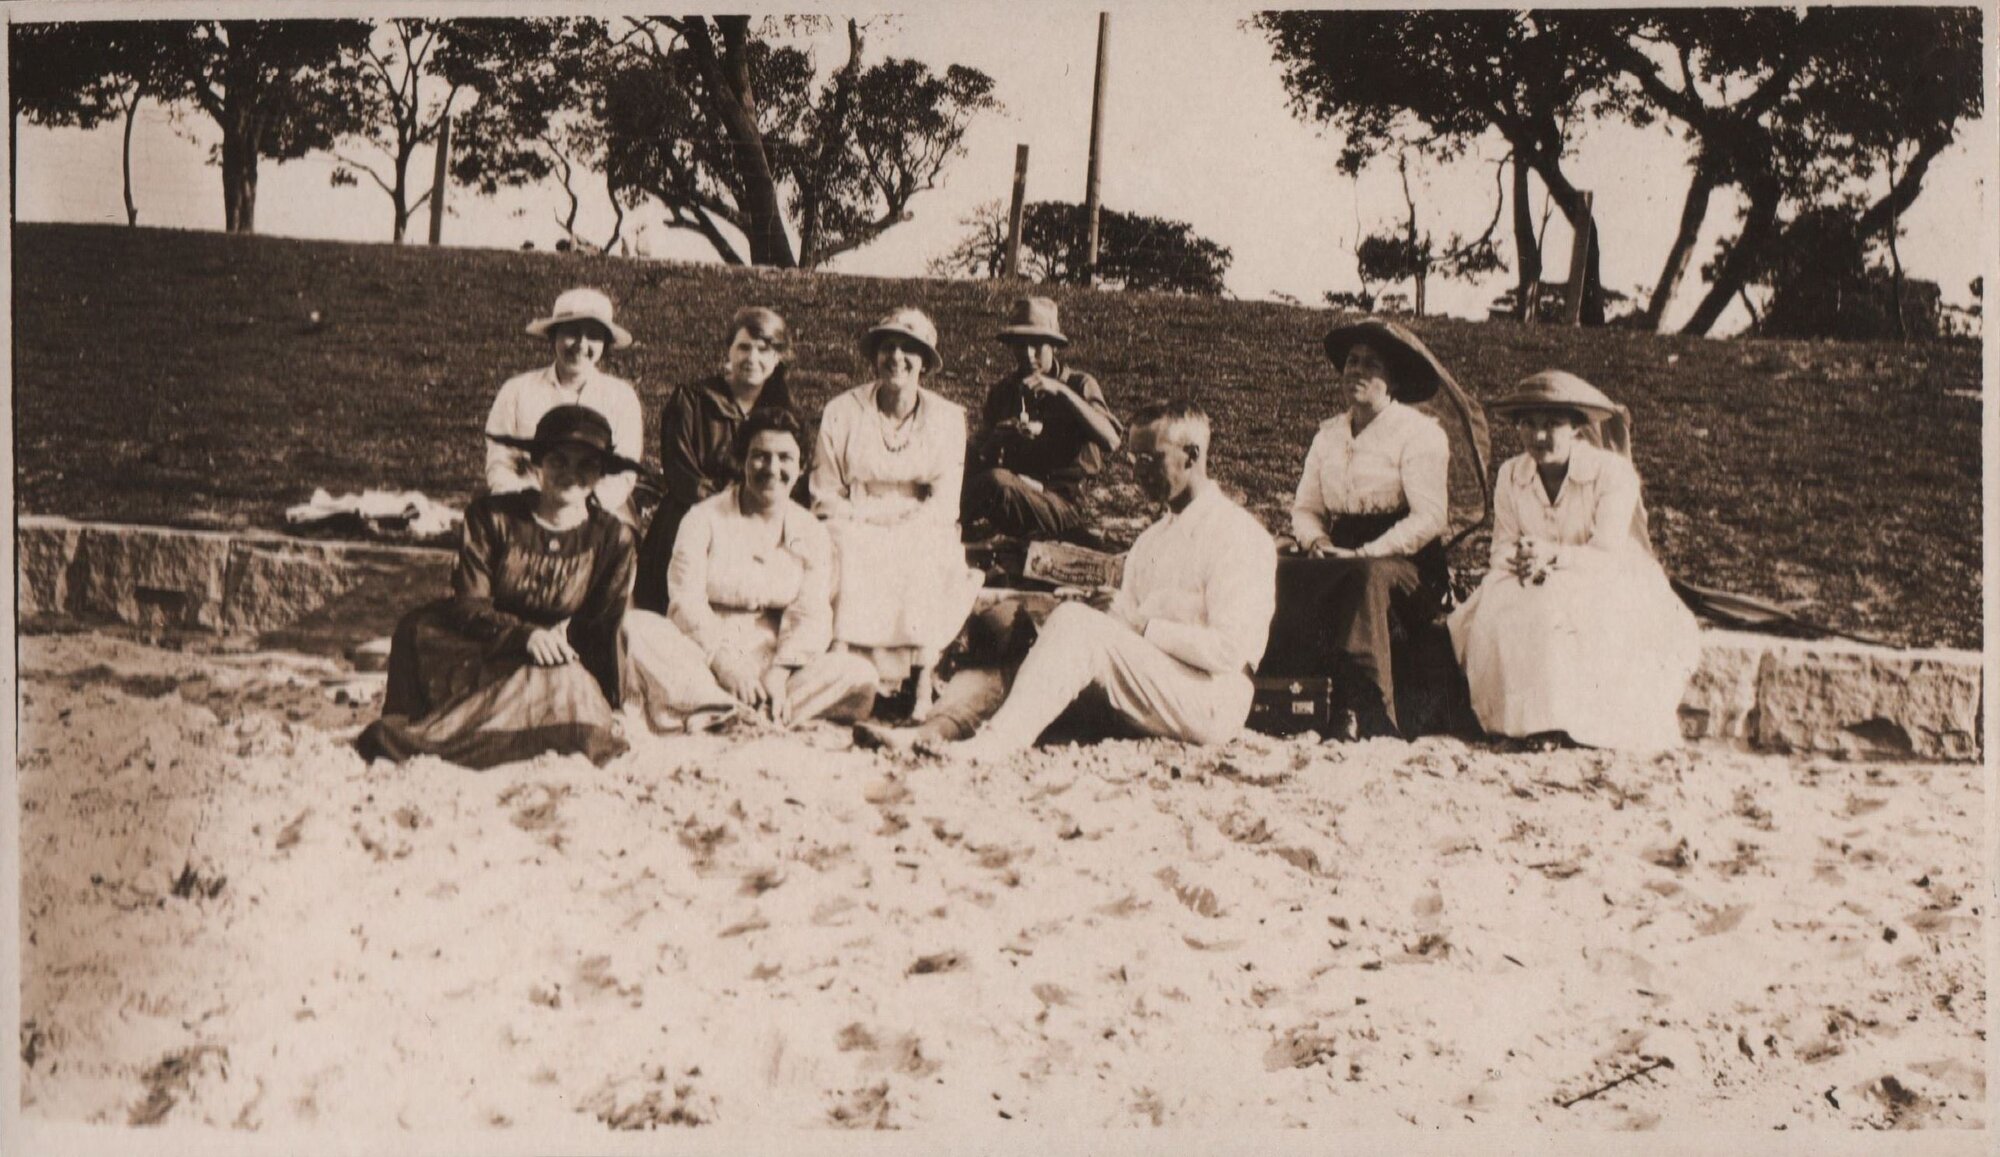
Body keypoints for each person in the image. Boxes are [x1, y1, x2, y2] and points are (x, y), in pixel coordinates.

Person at [881, 401, 1276, 760]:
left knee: (1074, 625)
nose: (1138, 473)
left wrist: (1139, 627)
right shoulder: (1152, 539)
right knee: (1024, 637)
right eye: (1133, 459)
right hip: (1154, 684)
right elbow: (1127, 626)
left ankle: (997, 743)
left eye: (1150, 460)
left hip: (1210, 699)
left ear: (1192, 456)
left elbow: (1230, 651)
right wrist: (1100, 610)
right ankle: (936, 728)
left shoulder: (1238, 535)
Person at [359, 405, 637, 768]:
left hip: (546, 646)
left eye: (586, 464)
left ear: (601, 473)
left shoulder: (612, 538)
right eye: (558, 461)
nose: (570, 475)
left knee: (578, 718)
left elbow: (603, 627)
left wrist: (609, 701)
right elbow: (469, 604)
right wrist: (524, 635)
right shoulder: (492, 517)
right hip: (476, 638)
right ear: (537, 464)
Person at [1448, 371, 1700, 751]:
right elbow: (1501, 545)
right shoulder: (1511, 474)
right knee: (1503, 603)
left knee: (1561, 606)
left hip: (1604, 572)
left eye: (1552, 425)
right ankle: (1516, 724)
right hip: (1530, 572)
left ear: (1577, 428)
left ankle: (1561, 725)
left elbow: (1607, 551)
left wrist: (1551, 557)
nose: (1538, 437)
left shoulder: (1612, 473)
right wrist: (1519, 561)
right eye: (1528, 425)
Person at [622, 410, 879, 730]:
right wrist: (725, 664)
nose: (772, 469)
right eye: (760, 456)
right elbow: (685, 601)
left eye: (785, 458)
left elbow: (810, 612)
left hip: (777, 661)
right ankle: (734, 708)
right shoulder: (701, 519)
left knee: (858, 674)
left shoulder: (811, 530)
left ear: (800, 467)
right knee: (636, 627)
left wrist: (778, 673)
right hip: (705, 654)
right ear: (742, 461)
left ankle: (726, 712)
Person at [1280, 317, 1452, 739]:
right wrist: (1317, 540)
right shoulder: (1328, 436)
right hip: (1337, 550)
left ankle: (1362, 705)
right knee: (1282, 568)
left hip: (1405, 561)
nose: (1355, 371)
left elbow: (1429, 518)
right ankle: (1286, 694)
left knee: (1364, 577)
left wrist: (1365, 553)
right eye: (1351, 362)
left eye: (1370, 364)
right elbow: (1306, 508)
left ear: (1391, 380)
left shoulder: (1420, 434)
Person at [811, 307, 984, 705]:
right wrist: (865, 518)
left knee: (923, 546)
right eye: (887, 347)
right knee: (846, 543)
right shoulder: (841, 411)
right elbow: (825, 490)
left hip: (919, 518)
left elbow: (945, 502)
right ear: (874, 355)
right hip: (854, 514)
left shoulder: (947, 418)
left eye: (910, 349)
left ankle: (920, 678)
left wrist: (904, 520)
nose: (896, 358)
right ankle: (845, 676)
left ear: (924, 362)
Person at [633, 306, 803, 613]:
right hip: (693, 513)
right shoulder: (692, 400)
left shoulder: (784, 413)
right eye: (743, 347)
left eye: (764, 349)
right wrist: (729, 514)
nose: (752, 358)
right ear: (729, 351)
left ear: (778, 357)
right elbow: (681, 474)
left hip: (761, 517)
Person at [963, 296, 1122, 541]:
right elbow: (978, 457)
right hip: (1018, 492)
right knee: (954, 477)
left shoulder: (1078, 384)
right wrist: (995, 440)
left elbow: (1111, 440)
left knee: (996, 484)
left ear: (1053, 346)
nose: (1027, 354)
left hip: (1063, 505)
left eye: (1036, 345)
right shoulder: (1004, 391)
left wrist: (1062, 392)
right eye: (1019, 345)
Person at [485, 288, 645, 522]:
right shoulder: (517, 390)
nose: (581, 345)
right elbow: (500, 462)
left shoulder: (621, 396)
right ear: (554, 336)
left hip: (597, 512)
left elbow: (624, 470)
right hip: (526, 509)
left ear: (605, 344)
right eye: (571, 332)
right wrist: (528, 506)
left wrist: (586, 508)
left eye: (593, 336)